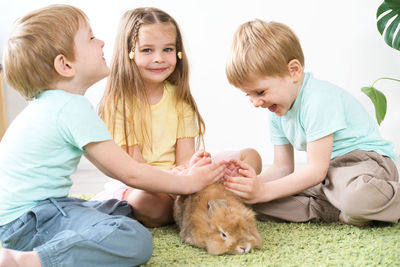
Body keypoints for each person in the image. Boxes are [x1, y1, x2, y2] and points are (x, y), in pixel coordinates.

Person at [0, 5, 225, 267]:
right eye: (91, 38)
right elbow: (129, 173)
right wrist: (189, 183)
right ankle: (26, 261)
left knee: (121, 211)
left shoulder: (55, 104)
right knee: (132, 238)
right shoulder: (70, 108)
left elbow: (117, 167)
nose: (103, 42)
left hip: (34, 212)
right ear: (65, 64)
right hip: (26, 221)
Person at [94, 7, 262, 227]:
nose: (159, 58)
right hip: (145, 185)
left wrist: (193, 167)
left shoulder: (180, 99)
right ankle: (202, 201)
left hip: (183, 180)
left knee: (251, 157)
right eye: (147, 50)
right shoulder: (118, 105)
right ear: (129, 53)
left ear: (178, 52)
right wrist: (177, 180)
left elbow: (185, 157)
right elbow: (136, 169)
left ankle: (197, 199)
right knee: (145, 202)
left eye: (167, 49)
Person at [224, 19, 400, 227]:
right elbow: (282, 167)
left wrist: (265, 191)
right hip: (329, 178)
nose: (255, 102)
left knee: (354, 197)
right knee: (249, 202)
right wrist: (248, 186)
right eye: (249, 95)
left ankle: (355, 206)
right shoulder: (276, 111)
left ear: (294, 71)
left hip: (364, 165)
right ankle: (338, 210)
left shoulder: (318, 100)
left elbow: (316, 170)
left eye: (260, 92)